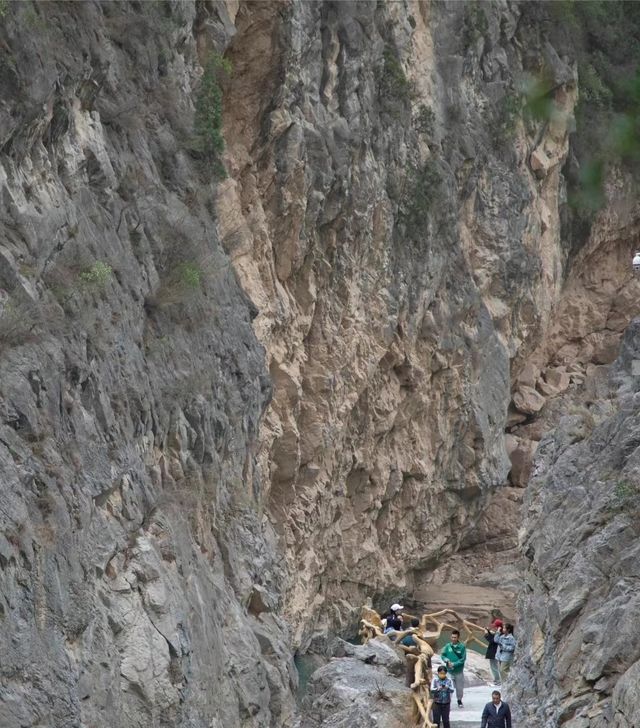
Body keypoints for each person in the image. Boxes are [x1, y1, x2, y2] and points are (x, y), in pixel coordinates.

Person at [440, 629, 466, 707]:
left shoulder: (462, 647)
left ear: (458, 638)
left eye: (455, 637)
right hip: (449, 671)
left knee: (459, 688)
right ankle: (447, 702)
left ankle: (459, 700)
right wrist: (446, 660)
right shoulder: (448, 646)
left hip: (458, 671)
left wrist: (454, 664)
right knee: (447, 687)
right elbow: (443, 655)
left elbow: (463, 659)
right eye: (452, 637)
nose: (453, 639)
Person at [484, 619, 503, 685]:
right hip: (495, 652)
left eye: (495, 626)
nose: (494, 627)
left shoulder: (499, 633)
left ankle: (497, 681)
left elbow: (492, 640)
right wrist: (488, 631)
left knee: (494, 667)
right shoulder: (500, 632)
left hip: (494, 653)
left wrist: (486, 634)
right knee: (495, 666)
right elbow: (493, 637)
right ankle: (498, 680)